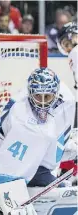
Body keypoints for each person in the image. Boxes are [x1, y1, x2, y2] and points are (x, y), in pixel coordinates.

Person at [0, 67, 76, 215]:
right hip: (1, 159)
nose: (43, 103)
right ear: (30, 94)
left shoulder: (64, 99)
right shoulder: (21, 118)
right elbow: (7, 166)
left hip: (28, 159)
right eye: (38, 96)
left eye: (48, 97)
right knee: (57, 192)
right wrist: (3, 198)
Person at [56, 21, 77, 178]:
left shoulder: (75, 52)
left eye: (67, 43)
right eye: (65, 46)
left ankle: (68, 171)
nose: (68, 48)